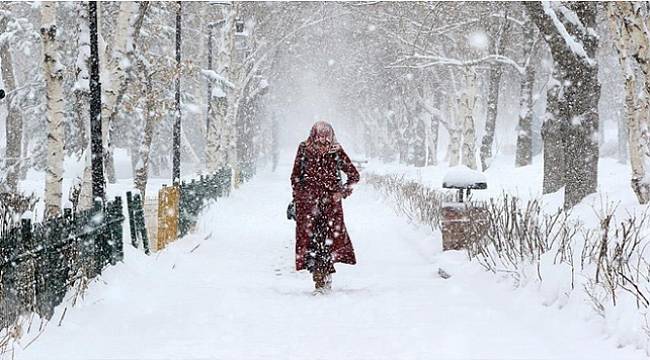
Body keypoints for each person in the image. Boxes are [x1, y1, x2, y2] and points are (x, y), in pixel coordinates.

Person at [290, 121, 360, 294]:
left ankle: (323, 280)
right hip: (308, 207)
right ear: (313, 135)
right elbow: (295, 176)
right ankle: (319, 277)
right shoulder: (304, 149)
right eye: (320, 137)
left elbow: (354, 175)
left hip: (331, 208)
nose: (323, 141)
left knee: (327, 242)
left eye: (326, 137)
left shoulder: (336, 151)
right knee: (312, 243)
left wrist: (342, 192)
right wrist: (301, 195)